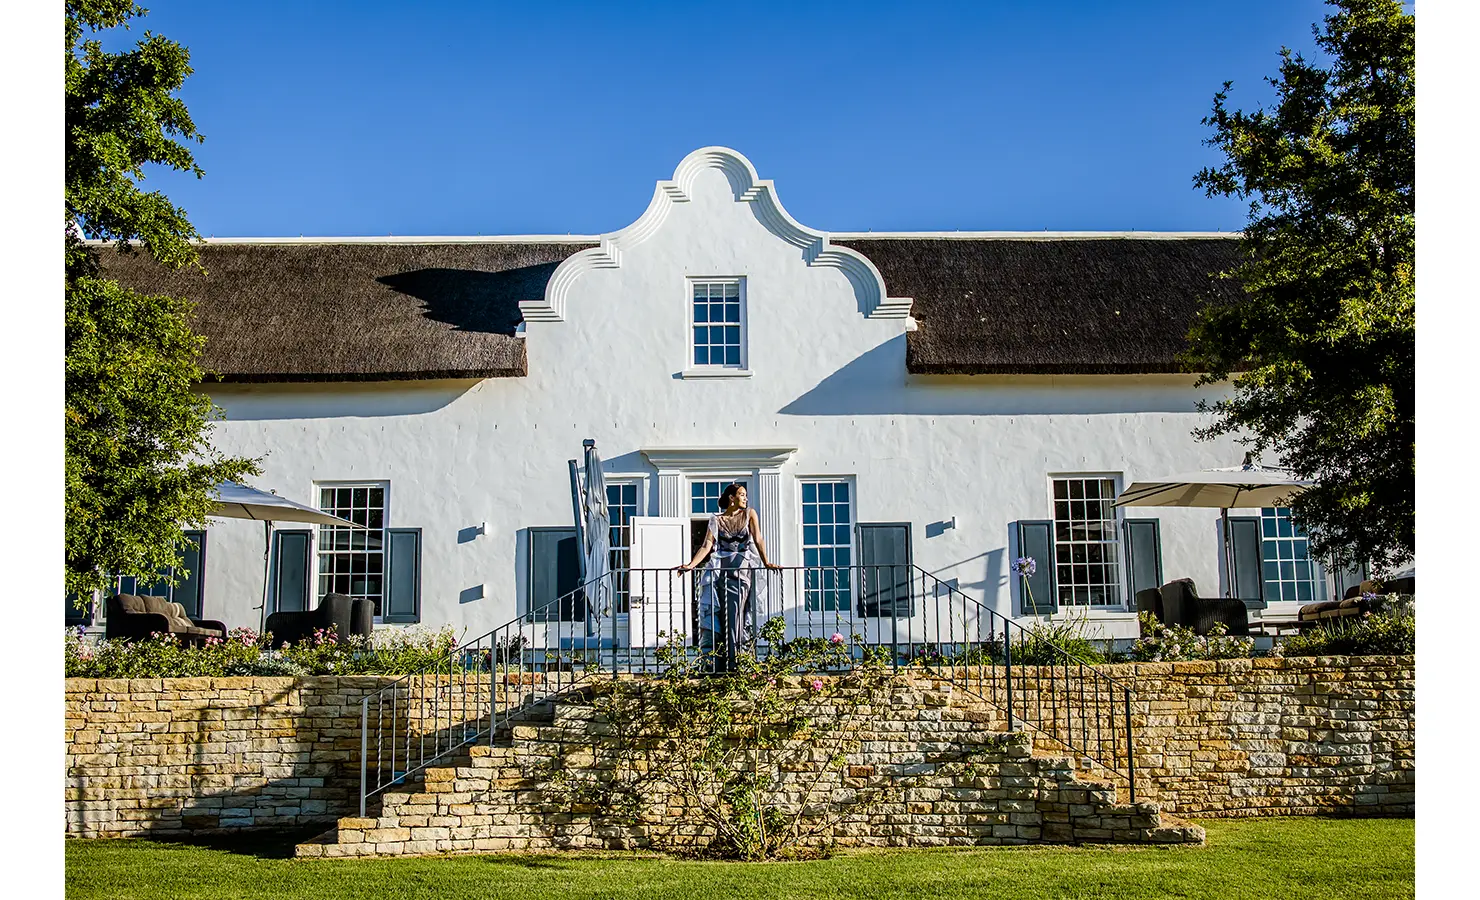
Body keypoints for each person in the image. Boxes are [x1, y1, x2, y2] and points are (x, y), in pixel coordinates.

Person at [675, 483, 779, 672]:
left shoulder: (750, 514)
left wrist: (766, 562)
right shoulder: (716, 519)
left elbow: (758, 539)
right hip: (721, 572)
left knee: (737, 614)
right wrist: (691, 565)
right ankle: (721, 661)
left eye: (745, 495)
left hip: (742, 571)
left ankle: (737, 660)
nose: (745, 498)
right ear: (732, 497)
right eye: (742, 494)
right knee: (720, 615)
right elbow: (707, 545)